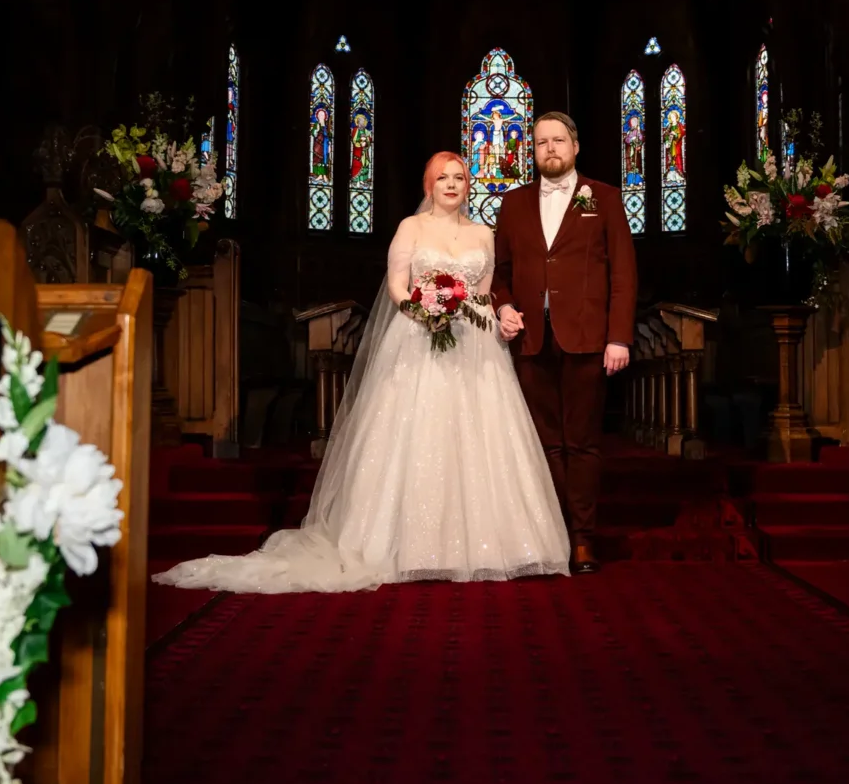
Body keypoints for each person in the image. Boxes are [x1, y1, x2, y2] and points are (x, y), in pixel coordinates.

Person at [153, 152, 570, 593]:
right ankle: (408, 547)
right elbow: (396, 285)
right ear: (428, 186)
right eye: (442, 177)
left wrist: (494, 321)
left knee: (480, 440)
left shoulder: (485, 234)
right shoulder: (412, 228)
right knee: (417, 437)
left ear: (469, 185)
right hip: (418, 336)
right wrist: (425, 309)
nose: (452, 184)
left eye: (460, 177)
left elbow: (483, 295)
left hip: (474, 346)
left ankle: (487, 546)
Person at [493, 112, 638, 574]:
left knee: (582, 444)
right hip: (531, 338)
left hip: (588, 337)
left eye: (558, 140)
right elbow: (499, 273)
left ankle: (582, 540)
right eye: (540, 143)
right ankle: (550, 533)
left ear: (575, 147)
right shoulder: (513, 203)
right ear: (531, 152)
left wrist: (618, 337)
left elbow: (624, 275)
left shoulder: (607, 199)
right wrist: (503, 306)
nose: (550, 149)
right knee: (544, 444)